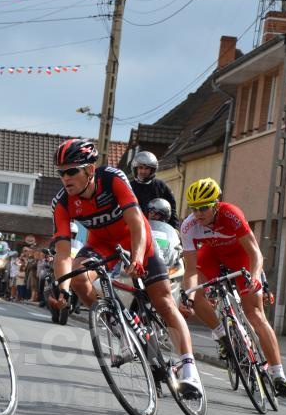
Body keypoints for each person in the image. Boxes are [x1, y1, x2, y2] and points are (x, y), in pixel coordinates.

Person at [50, 139, 204, 398]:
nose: (65, 177)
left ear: (90, 169)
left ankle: (190, 371)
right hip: (101, 245)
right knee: (77, 275)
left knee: (164, 301)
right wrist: (62, 288)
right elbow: (63, 253)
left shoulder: (113, 179)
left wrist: (137, 257)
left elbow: (135, 224)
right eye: (61, 172)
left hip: (137, 239)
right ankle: (119, 329)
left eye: (72, 170)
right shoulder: (62, 203)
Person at [178, 178, 286, 397]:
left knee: (255, 315)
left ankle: (279, 375)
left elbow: (255, 253)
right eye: (194, 208)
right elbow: (191, 270)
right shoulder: (189, 226)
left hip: (240, 256)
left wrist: (256, 277)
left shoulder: (231, 214)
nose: (198, 213)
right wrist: (188, 297)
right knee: (196, 293)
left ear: (216, 204)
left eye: (203, 208)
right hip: (211, 255)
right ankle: (222, 336)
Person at [129, 151, 179, 229]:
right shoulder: (129, 187)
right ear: (135, 169)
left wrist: (175, 229)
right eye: (140, 168)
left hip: (157, 229)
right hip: (134, 228)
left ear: (152, 169)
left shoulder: (161, 186)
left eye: (147, 168)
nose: (143, 171)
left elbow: (171, 210)